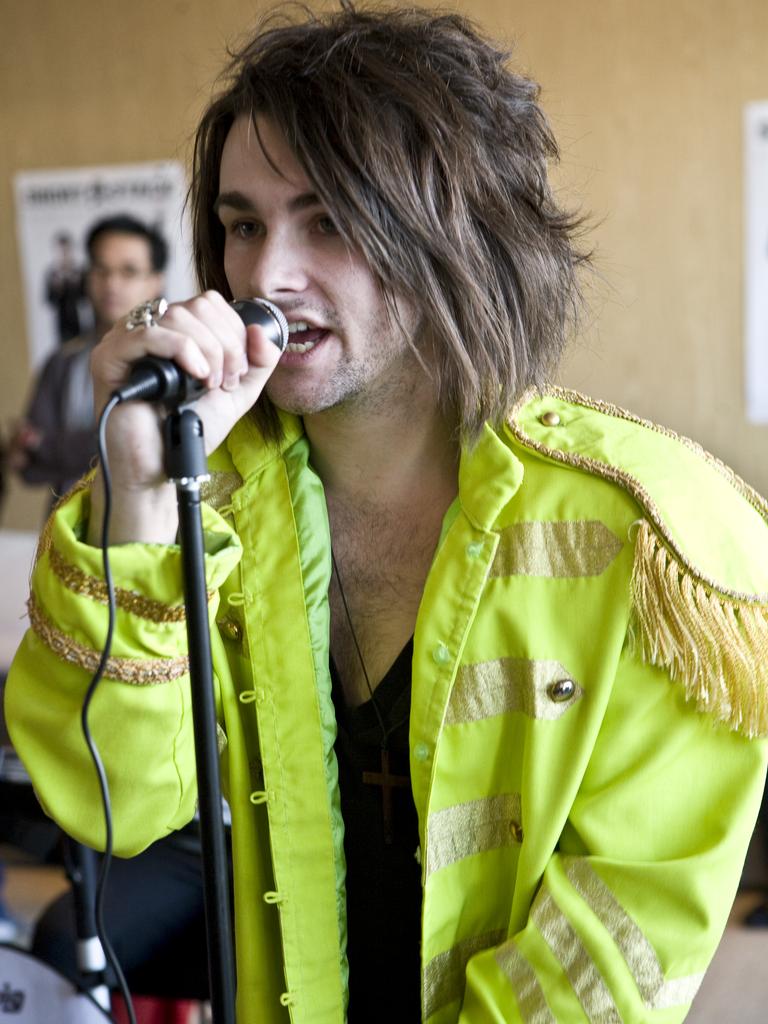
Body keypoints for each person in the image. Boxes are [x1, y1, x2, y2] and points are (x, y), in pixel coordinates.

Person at [5, 6, 768, 1023]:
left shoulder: (655, 537)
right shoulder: (196, 498)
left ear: (453, 232)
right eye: (243, 225)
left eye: (328, 220)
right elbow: (115, 803)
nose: (266, 275)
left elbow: (616, 953)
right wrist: (140, 485)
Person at [10, 215, 167, 501]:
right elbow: (28, 468)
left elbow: (148, 449)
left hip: (151, 531)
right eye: (101, 269)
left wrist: (46, 444)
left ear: (156, 282)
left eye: (128, 271)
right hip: (65, 532)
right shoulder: (62, 361)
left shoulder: (170, 358)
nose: (112, 283)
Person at [44, 232, 84, 345]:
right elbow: (49, 300)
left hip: (80, 322)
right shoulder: (52, 274)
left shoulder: (79, 272)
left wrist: (76, 284)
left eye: (66, 251)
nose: (64, 254)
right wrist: (57, 287)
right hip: (61, 323)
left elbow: (86, 299)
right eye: (61, 251)